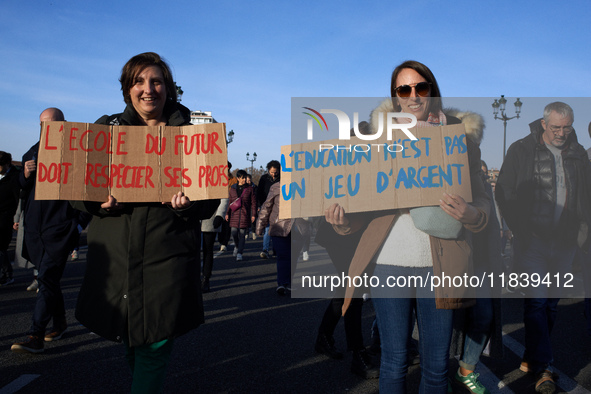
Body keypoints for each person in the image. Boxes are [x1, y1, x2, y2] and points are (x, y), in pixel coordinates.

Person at [325, 60, 490, 393]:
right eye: (404, 89)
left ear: (432, 91)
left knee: (435, 367)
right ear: (396, 96)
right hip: (389, 263)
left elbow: (483, 201)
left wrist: (473, 215)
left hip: (441, 264)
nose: (413, 95)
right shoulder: (375, 140)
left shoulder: (459, 138)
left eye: (421, 87)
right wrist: (342, 222)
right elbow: (359, 204)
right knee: (394, 361)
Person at [69, 53, 219, 393]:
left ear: (168, 88)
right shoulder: (106, 130)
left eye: (156, 81)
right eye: (139, 81)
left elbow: (209, 201)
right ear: (127, 89)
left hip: (166, 262)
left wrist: (188, 204)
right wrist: (97, 200)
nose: (148, 89)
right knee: (133, 342)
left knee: (154, 346)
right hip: (119, 259)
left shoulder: (194, 136)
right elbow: (73, 192)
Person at [496, 102, 591, 393]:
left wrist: (581, 238)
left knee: (551, 304)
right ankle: (544, 367)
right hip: (533, 240)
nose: (562, 133)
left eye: (567, 127)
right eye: (556, 127)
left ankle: (532, 355)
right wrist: (519, 230)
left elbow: (585, 197)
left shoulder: (578, 155)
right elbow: (504, 191)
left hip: (564, 242)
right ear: (543, 124)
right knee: (536, 300)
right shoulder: (521, 149)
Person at [11, 108, 88, 353]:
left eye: (52, 124)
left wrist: (77, 224)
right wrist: (24, 174)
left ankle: (35, 334)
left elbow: (90, 190)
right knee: (49, 280)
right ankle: (61, 323)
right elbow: (22, 190)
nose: (47, 128)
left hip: (60, 230)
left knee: (45, 278)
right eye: (43, 124)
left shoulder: (77, 152)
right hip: (35, 229)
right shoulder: (31, 152)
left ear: (64, 124)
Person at [256, 182, 303, 295]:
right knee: (283, 255)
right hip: (279, 226)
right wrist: (260, 226)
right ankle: (282, 283)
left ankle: (289, 281)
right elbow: (266, 207)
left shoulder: (305, 185)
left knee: (294, 256)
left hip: (298, 227)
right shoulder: (276, 187)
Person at [226, 169, 256, 261]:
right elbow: (229, 202)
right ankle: (236, 246)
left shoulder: (250, 189)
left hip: (244, 214)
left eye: (245, 178)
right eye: (243, 178)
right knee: (234, 232)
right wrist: (227, 213)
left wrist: (253, 214)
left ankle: (240, 252)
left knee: (242, 234)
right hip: (234, 214)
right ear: (238, 178)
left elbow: (253, 203)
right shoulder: (232, 189)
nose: (244, 180)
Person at [0, 151, 20, 286]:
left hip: (6, 216)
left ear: (7, 164)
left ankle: (7, 274)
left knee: (1, 246)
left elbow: (18, 199)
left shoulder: (15, 178)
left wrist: (16, 218)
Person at [201, 198, 228, 292]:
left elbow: (224, 196)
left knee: (207, 250)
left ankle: (206, 278)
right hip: (194, 217)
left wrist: (220, 215)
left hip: (211, 217)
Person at [256, 160, 280, 258]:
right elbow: (259, 193)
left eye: (276, 172)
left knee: (278, 229)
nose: (274, 174)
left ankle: (276, 250)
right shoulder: (264, 178)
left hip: (278, 207)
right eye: (272, 172)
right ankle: (265, 249)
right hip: (266, 206)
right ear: (268, 170)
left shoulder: (282, 179)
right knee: (267, 229)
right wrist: (259, 205)